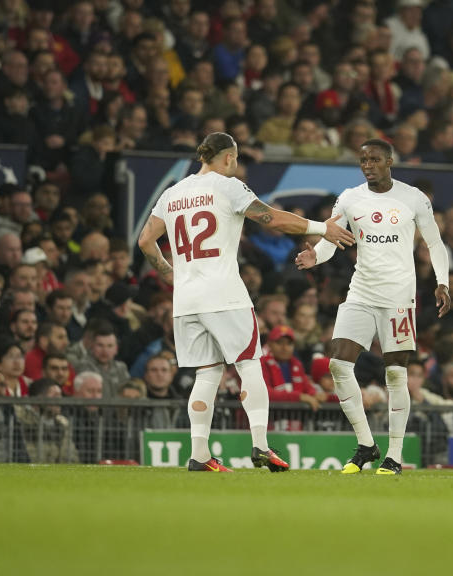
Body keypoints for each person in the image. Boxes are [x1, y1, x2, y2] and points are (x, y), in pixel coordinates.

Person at [137, 132, 354, 472]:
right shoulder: (228, 186)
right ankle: (261, 446)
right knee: (249, 364)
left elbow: (146, 240)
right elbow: (272, 218)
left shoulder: (172, 194)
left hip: (187, 298)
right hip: (224, 294)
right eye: (236, 159)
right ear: (227, 158)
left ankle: (198, 455)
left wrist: (169, 275)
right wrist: (320, 227)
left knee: (206, 374)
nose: (237, 165)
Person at [295, 138, 452, 475]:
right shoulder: (350, 198)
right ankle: (367, 445)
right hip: (361, 291)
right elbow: (331, 237)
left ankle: (394, 456)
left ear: (390, 161)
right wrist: (315, 256)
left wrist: (443, 281)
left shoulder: (413, 198)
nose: (368, 165)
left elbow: (435, 242)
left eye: (375, 159)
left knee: (395, 373)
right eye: (363, 160)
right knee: (337, 363)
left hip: (398, 297)